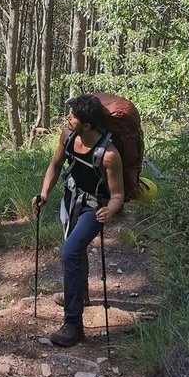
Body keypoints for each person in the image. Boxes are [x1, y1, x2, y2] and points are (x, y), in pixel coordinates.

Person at [32, 93, 124, 347]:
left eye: (72, 117)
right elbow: (56, 164)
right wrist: (44, 193)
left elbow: (118, 195)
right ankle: (80, 294)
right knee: (75, 247)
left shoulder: (109, 155)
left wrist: (111, 210)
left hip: (94, 209)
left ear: (87, 125)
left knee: (69, 252)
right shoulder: (68, 136)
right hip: (70, 199)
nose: (67, 119)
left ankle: (73, 325)